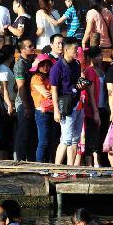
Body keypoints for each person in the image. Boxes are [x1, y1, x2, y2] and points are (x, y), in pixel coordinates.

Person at [50, 39, 83, 167]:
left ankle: (71, 168)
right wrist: (56, 110)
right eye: (75, 49)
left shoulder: (76, 64)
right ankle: (56, 168)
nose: (77, 52)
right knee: (65, 139)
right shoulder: (57, 67)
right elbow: (54, 90)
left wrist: (80, 85)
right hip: (66, 105)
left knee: (75, 140)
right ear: (66, 50)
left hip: (78, 103)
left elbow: (75, 82)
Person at [13, 38, 37, 161]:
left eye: (33, 45)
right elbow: (21, 87)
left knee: (31, 132)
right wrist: (26, 106)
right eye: (29, 46)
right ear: (22, 50)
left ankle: (30, 160)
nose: (33, 47)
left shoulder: (30, 61)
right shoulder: (20, 64)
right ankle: (18, 160)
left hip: (33, 101)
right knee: (23, 132)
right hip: (23, 102)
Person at [30, 53, 56, 162]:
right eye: (43, 65)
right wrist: (56, 92)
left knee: (51, 141)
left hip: (52, 110)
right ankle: (39, 166)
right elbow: (47, 94)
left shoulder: (48, 77)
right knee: (43, 142)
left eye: (47, 65)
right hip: (42, 112)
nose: (46, 67)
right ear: (38, 66)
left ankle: (47, 164)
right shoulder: (36, 78)